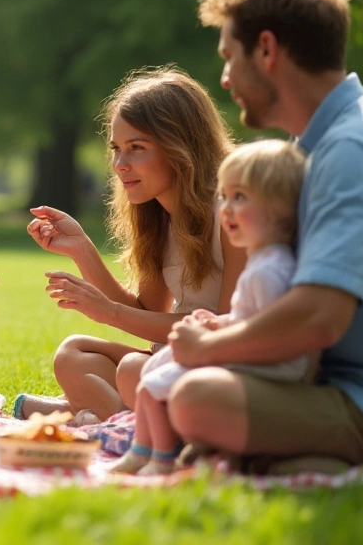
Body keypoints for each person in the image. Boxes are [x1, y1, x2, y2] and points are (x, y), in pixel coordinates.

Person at [166, 0, 363, 469]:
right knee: (158, 379)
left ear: (267, 49)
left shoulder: (357, 150)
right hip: (350, 386)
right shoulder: (332, 143)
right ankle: (275, 458)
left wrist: (209, 350)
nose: (225, 78)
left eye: (229, 57)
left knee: (196, 398)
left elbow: (319, 316)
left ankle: (354, 461)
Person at [14, 68, 247, 422]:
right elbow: (145, 311)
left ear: (180, 148)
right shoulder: (160, 219)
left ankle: (93, 415)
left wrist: (108, 313)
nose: (120, 165)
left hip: (217, 367)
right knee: (73, 353)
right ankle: (118, 415)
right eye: (116, 149)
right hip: (168, 362)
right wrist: (82, 250)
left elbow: (225, 326)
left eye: (136, 148)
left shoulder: (231, 216)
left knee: (135, 370)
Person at [110, 139, 309, 475]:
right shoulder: (265, 262)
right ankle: (145, 449)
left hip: (262, 367)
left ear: (279, 209)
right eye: (225, 197)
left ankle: (158, 457)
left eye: (240, 198)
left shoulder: (270, 270)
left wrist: (219, 332)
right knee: (155, 365)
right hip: (242, 350)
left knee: (153, 383)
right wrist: (218, 322)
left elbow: (268, 330)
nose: (227, 209)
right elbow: (251, 318)